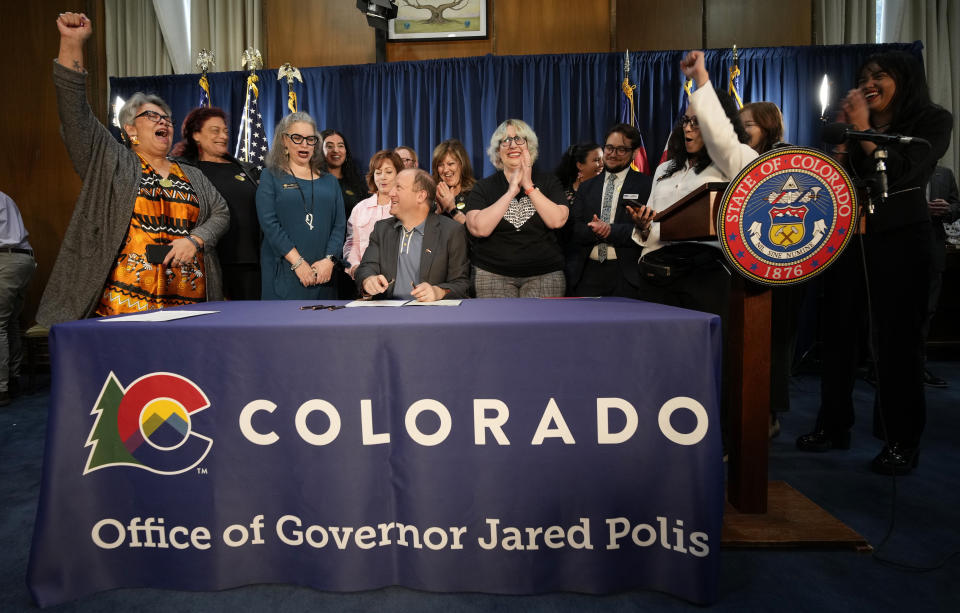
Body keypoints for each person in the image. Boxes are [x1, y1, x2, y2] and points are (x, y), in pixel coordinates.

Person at [796, 51, 953, 475]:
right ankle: (833, 426)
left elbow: (901, 172)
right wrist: (846, 142)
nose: (869, 83)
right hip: (852, 239)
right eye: (864, 76)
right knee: (839, 336)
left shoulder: (931, 122)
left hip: (903, 240)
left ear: (903, 80)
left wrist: (864, 128)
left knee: (897, 344)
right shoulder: (850, 123)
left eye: (879, 76)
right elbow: (840, 176)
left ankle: (901, 440)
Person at [38, 12, 229, 326]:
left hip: (188, 307)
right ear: (130, 130)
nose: (163, 121)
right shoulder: (110, 160)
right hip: (122, 307)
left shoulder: (190, 173)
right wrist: (72, 43)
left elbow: (220, 212)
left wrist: (194, 240)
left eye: (166, 117)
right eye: (152, 116)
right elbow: (74, 111)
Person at [628, 51, 757, 321]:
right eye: (686, 121)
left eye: (698, 123)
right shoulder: (665, 168)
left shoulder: (736, 161)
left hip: (706, 275)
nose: (688, 129)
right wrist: (643, 225)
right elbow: (652, 226)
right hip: (659, 273)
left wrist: (701, 79)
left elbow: (721, 141)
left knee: (699, 351)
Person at [464, 119, 569, 298]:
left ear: (529, 146)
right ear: (498, 150)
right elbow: (478, 228)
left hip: (545, 275)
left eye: (519, 139)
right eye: (505, 141)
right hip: (492, 275)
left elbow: (557, 221)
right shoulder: (483, 187)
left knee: (542, 327)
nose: (512, 145)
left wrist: (528, 186)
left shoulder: (549, 182)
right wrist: (511, 192)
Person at [739, 101, 793, 437]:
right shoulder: (741, 160)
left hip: (784, 266)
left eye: (749, 125)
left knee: (776, 342)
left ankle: (771, 412)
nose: (742, 131)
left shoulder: (785, 159)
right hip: (746, 264)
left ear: (768, 125)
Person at [171, 107, 261, 300]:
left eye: (225, 131)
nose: (223, 136)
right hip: (208, 262)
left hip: (250, 262)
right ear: (196, 135)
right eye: (215, 130)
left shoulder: (247, 170)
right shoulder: (182, 171)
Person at [257, 112, 345, 300]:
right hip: (285, 273)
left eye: (310, 139)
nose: (304, 144)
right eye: (297, 138)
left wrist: (329, 261)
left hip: (324, 275)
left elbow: (339, 226)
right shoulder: (270, 176)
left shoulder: (330, 181)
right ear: (284, 141)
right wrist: (298, 263)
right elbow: (269, 223)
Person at [356, 169, 470, 301]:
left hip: (430, 316)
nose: (391, 193)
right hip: (387, 314)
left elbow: (462, 284)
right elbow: (365, 268)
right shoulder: (381, 229)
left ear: (420, 196)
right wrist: (368, 281)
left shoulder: (451, 231)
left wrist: (438, 291)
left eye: (398, 187)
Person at [568, 126, 651, 297]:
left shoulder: (646, 186)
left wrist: (610, 231)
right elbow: (574, 228)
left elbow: (648, 230)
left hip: (626, 275)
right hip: (587, 273)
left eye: (621, 149)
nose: (613, 154)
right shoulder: (586, 187)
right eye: (609, 148)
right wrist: (596, 230)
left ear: (634, 153)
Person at [922, 165, 960, 387]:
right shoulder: (903, 170)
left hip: (934, 249)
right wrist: (919, 209)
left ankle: (918, 365)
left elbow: (957, 205)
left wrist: (948, 209)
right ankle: (877, 366)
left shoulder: (944, 173)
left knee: (928, 309)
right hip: (903, 249)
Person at [343, 149, 404, 278]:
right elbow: (351, 244)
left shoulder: (405, 207)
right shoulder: (360, 208)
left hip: (398, 278)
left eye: (388, 172)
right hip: (365, 278)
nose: (383, 177)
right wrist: (354, 268)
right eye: (378, 172)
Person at [0, 191, 36, 406]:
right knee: (9, 323)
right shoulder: (5, 196)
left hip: (6, 258)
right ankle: (12, 379)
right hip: (22, 259)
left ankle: (1, 388)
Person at [320, 129, 368, 217]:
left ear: (346, 151)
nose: (336, 150)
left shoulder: (357, 183)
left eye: (340, 146)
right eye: (329, 146)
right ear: (320, 151)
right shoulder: (314, 181)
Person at [431, 139, 476, 224]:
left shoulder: (476, 192)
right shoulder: (431, 194)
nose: (445, 170)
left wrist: (451, 209)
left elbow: (477, 229)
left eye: (451, 164)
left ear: (462, 164)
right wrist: (437, 212)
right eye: (440, 165)